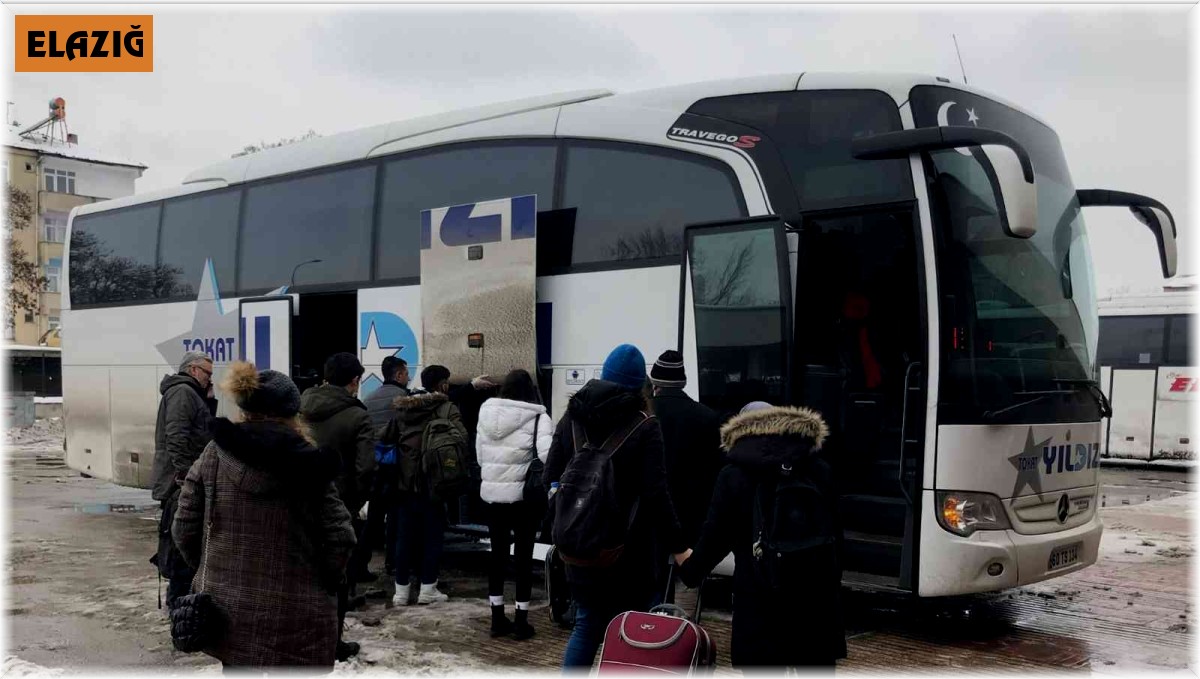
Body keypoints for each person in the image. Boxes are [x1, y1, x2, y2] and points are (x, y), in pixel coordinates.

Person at [172, 362, 356, 671]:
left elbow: (183, 527)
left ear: (245, 410)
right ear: (292, 414)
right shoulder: (312, 465)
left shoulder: (214, 454)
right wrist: (321, 581)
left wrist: (212, 570)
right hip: (299, 617)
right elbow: (341, 538)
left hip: (229, 614)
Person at [544, 343, 691, 670]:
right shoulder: (645, 426)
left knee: (586, 625)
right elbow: (657, 495)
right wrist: (680, 547)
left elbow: (550, 475)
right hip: (629, 553)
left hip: (579, 549)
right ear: (640, 385)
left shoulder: (572, 418)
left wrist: (569, 518)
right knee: (635, 631)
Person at [678, 402, 846, 669]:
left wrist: (690, 570)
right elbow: (836, 536)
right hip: (814, 602)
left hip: (759, 601)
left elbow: (715, 536)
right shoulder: (819, 469)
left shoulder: (734, 475)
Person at [299, 352, 377, 661]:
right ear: (354, 381)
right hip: (340, 505)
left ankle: (304, 635)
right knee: (337, 574)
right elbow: (365, 468)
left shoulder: (300, 406)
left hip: (299, 502)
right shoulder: (358, 416)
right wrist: (357, 501)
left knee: (304, 570)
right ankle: (333, 642)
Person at [475, 369, 552, 640]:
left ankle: (497, 618)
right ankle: (521, 621)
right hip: (523, 499)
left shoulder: (486, 413)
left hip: (493, 496)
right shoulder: (538, 417)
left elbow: (480, 457)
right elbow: (547, 456)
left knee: (497, 556)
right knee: (523, 558)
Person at [647, 349, 723, 610]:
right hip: (689, 519)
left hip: (649, 518)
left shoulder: (645, 415)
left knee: (650, 587)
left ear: (655, 383)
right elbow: (713, 475)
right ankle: (674, 626)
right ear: (682, 382)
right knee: (681, 589)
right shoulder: (707, 417)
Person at [389, 365, 468, 606]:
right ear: (442, 384)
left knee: (404, 538)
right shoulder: (446, 408)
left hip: (405, 483)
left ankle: (401, 592)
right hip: (435, 482)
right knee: (432, 536)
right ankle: (427, 588)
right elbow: (462, 439)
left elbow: (385, 438)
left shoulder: (403, 408)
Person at [151, 351, 217, 607]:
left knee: (186, 546)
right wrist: (187, 477)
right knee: (180, 549)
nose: (210, 378)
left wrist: (209, 400)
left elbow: (202, 430)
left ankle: (181, 603)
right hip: (177, 484)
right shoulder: (182, 392)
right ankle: (177, 606)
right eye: (207, 373)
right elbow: (176, 438)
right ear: (193, 370)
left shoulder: (192, 394)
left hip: (181, 481)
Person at [362, 356, 410, 576]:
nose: (408, 377)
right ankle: (393, 562)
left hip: (376, 465)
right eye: (406, 373)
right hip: (397, 466)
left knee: (374, 517)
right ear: (398, 375)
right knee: (396, 517)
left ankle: (360, 563)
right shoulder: (404, 399)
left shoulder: (368, 399)